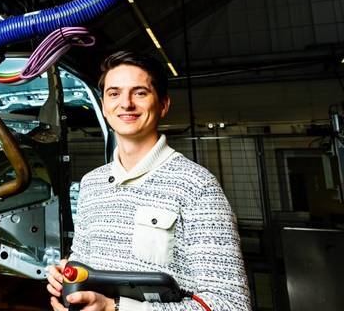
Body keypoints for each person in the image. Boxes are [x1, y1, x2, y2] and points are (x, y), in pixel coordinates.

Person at [47, 51, 250, 311]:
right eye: (114, 93)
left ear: (163, 105)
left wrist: (116, 308)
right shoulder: (92, 184)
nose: (126, 103)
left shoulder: (197, 185)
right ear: (104, 107)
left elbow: (231, 305)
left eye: (140, 92)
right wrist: (69, 276)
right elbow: (83, 261)